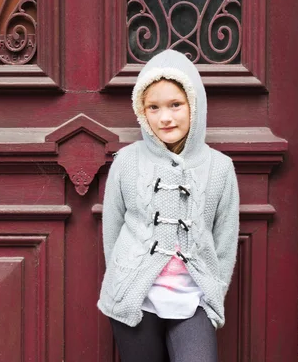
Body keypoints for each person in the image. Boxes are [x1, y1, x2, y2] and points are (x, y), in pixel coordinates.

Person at [97, 49, 240, 362]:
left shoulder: (220, 168)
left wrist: (214, 292)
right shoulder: (126, 162)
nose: (165, 117)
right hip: (136, 299)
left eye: (176, 104)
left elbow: (226, 240)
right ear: (142, 111)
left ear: (194, 105)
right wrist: (123, 281)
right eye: (154, 107)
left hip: (193, 300)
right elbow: (113, 228)